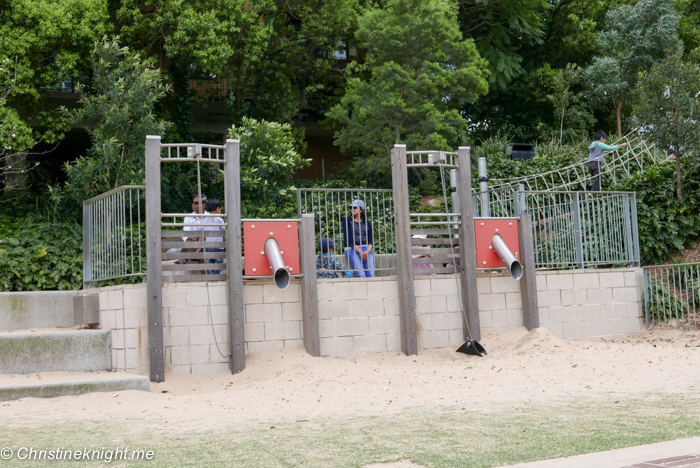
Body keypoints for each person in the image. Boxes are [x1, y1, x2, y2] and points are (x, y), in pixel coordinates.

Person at [341, 199, 375, 277]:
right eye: (351, 207)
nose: (352, 209)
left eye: (355, 207)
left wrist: (367, 251)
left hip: (366, 249)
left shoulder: (367, 222)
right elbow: (348, 238)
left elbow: (370, 239)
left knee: (371, 273)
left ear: (361, 210)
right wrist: (360, 251)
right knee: (361, 273)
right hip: (352, 249)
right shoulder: (347, 220)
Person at [177, 194, 209, 265]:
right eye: (193, 202)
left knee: (202, 237)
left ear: (204, 205)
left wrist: (198, 237)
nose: (193, 205)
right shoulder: (188, 217)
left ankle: (184, 258)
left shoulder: (209, 217)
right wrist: (189, 237)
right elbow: (186, 232)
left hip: (204, 245)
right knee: (193, 242)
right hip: (191, 244)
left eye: (196, 203)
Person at [204, 199, 225, 275]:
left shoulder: (205, 219)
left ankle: (210, 277)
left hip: (208, 245)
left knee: (211, 261)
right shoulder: (219, 219)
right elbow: (224, 231)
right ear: (217, 209)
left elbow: (201, 232)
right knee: (219, 261)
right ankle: (216, 276)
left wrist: (199, 245)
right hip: (217, 245)